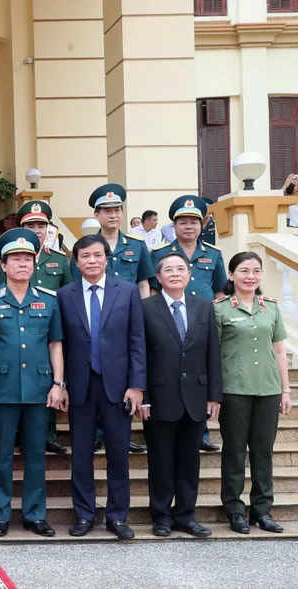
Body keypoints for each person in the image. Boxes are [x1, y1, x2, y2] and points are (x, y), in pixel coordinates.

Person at [0, 228, 66, 538]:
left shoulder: (50, 300)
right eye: (15, 259)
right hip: (2, 389)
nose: (23, 264)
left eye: (28, 258)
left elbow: (56, 344)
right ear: (3, 265)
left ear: (35, 263)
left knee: (36, 455)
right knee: (0, 456)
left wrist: (59, 383)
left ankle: (35, 515)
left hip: (40, 388)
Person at [57, 234, 146, 540]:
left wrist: (137, 385)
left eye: (97, 255)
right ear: (76, 261)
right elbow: (62, 344)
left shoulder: (128, 291)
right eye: (85, 256)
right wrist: (62, 384)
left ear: (107, 258)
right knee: (80, 453)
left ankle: (117, 516)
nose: (92, 261)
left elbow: (137, 341)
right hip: (80, 387)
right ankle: (84, 514)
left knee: (118, 453)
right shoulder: (64, 294)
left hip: (118, 387)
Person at [139, 251, 221, 538]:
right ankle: (161, 515)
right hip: (159, 396)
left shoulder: (204, 307)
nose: (175, 273)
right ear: (158, 277)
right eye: (168, 270)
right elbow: (141, 355)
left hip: (197, 396)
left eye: (180, 269)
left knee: (190, 460)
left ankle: (186, 515)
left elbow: (213, 353)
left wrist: (214, 395)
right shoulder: (146, 307)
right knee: (160, 460)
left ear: (189, 275)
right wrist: (144, 395)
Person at [216, 252, 292, 534]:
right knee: (235, 452)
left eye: (256, 271)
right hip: (234, 389)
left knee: (263, 452)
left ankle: (262, 510)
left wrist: (285, 390)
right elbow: (213, 354)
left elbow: (279, 350)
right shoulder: (220, 309)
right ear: (232, 275)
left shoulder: (270, 307)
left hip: (269, 389)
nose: (251, 276)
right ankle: (234, 510)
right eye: (244, 271)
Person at [150, 196, 226, 452]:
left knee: (199, 373)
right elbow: (152, 292)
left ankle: (201, 431)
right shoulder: (160, 254)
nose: (189, 227)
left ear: (202, 224)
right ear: (174, 226)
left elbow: (220, 292)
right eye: (183, 222)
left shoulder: (213, 254)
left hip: (202, 323)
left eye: (194, 221)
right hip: (168, 321)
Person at [71, 184, 154, 299]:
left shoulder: (137, 244)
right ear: (96, 215)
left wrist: (144, 312)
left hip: (130, 307)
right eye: (108, 211)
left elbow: (143, 284)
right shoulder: (84, 247)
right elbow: (76, 283)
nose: (113, 216)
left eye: (117, 211)